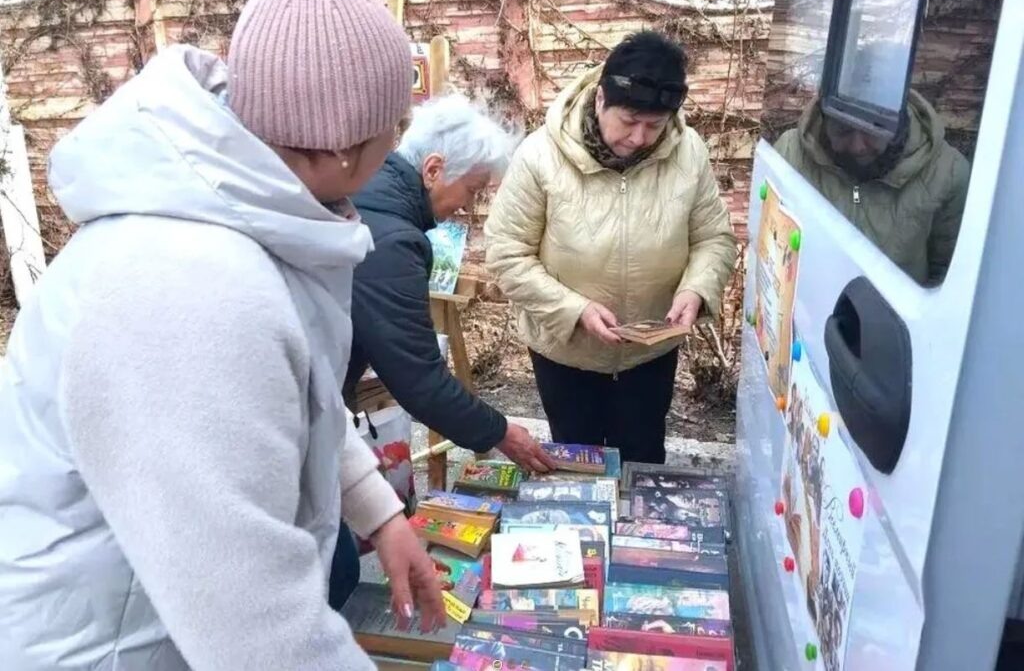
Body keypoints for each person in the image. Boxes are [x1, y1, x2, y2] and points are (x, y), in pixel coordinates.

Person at [0, 0, 444, 671]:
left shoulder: (252, 207)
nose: (401, 143)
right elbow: (255, 627)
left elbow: (297, 400)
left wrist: (380, 512)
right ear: (348, 147)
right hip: (109, 649)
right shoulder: (188, 289)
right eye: (398, 123)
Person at [484, 31, 737, 464]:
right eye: (629, 121)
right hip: (566, 354)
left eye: (654, 126)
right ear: (600, 98)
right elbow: (506, 253)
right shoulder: (540, 156)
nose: (639, 138)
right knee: (578, 461)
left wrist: (696, 288)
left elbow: (714, 238)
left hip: (649, 353)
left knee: (643, 459)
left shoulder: (689, 153)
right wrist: (574, 309)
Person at [342, 95, 557, 473]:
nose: (468, 207)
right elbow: (418, 378)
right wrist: (501, 433)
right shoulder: (393, 242)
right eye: (472, 190)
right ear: (433, 170)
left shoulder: (366, 192)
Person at [775, 90, 969, 285]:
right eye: (843, 130)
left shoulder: (947, 174)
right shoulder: (790, 155)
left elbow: (948, 281)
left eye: (873, 128)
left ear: (897, 121)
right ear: (824, 119)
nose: (858, 147)